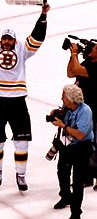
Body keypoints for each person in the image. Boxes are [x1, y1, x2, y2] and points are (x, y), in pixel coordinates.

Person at [0, 0, 50, 191]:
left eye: (9, 39)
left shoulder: (23, 49)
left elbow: (37, 38)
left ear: (15, 40)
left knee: (22, 142)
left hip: (17, 102)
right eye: (4, 38)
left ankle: (20, 175)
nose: (6, 41)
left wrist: (43, 16)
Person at [50, 84, 94, 219]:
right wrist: (56, 115)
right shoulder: (67, 107)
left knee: (77, 180)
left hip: (82, 147)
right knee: (62, 172)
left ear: (70, 99)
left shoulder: (85, 111)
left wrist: (63, 125)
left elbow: (80, 135)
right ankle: (65, 197)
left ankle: (76, 213)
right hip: (67, 145)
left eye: (63, 96)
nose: (61, 98)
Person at [67, 42, 97, 189]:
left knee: (94, 144)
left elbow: (77, 69)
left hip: (95, 110)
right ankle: (87, 177)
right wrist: (72, 56)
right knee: (85, 144)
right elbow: (71, 72)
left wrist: (74, 54)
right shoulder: (86, 62)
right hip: (85, 110)